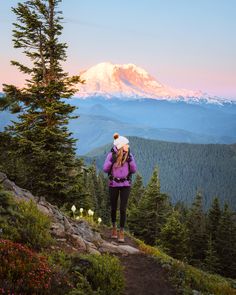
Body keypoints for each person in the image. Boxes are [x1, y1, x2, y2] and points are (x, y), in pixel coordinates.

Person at [103, 132, 137, 242]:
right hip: (113, 184)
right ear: (121, 145)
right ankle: (114, 228)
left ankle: (121, 231)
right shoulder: (111, 155)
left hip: (125, 184)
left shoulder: (129, 155)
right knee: (113, 207)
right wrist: (112, 160)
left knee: (123, 208)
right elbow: (105, 169)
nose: (128, 146)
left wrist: (130, 160)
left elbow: (134, 170)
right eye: (126, 144)